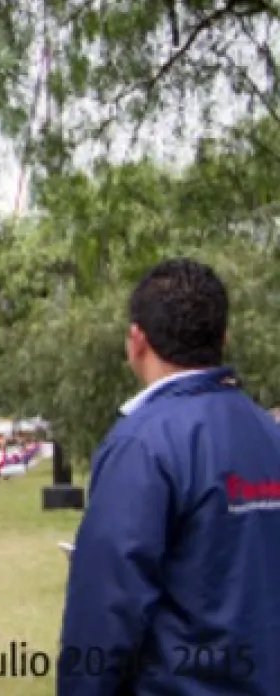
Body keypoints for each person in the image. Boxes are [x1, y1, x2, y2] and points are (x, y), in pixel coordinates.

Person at [59, 258, 280, 696]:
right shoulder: (268, 434)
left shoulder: (143, 444)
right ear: (224, 338)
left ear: (136, 341)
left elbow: (107, 608)